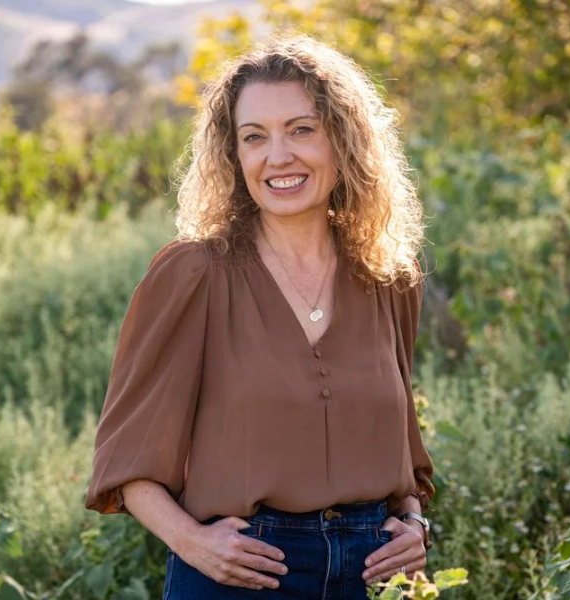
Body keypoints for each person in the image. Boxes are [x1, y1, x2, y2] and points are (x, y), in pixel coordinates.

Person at [85, 32, 435, 599]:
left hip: (376, 576)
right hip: (241, 573)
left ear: (343, 141)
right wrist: (195, 546)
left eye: (302, 129)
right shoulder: (194, 273)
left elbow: (400, 448)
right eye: (255, 137)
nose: (278, 156)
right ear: (234, 155)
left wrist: (414, 524)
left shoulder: (388, 276)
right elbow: (127, 462)